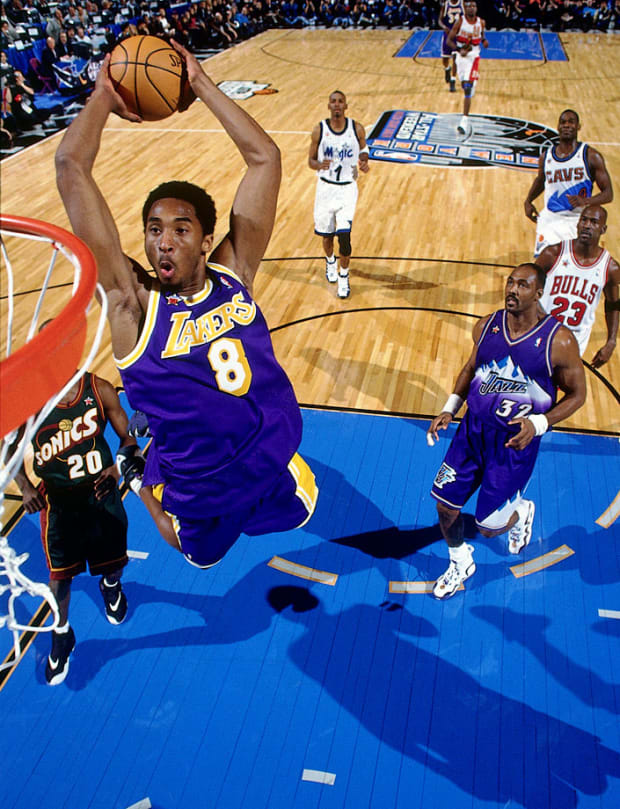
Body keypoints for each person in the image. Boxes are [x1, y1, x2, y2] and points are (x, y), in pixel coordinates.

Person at [55, 40, 318, 574]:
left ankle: (153, 464)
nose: (164, 242)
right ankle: (144, 481)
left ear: (205, 241)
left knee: (303, 511)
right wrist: (104, 95)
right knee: (194, 552)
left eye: (180, 229)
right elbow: (70, 165)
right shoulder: (133, 306)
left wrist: (200, 84)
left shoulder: (234, 273)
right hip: (201, 492)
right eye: (154, 230)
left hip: (271, 464)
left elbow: (265, 159)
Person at [427, 263, 586, 600]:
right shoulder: (487, 326)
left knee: (487, 527)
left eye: (523, 285)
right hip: (472, 432)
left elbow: (578, 395)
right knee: (445, 506)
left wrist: (538, 424)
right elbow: (470, 368)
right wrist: (450, 407)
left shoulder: (559, 341)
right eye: (510, 282)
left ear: (539, 292)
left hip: (514, 443)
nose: (512, 289)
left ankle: (522, 511)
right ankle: (460, 562)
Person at [14, 371, 136, 685]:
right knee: (59, 579)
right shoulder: (30, 403)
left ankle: (110, 586)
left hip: (101, 495)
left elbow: (129, 441)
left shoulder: (99, 389)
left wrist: (116, 469)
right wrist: (25, 487)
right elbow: (7, 444)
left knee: (115, 564)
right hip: (58, 503)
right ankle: (62, 634)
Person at [535, 204, 619, 367]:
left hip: (573, 345)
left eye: (594, 222)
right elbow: (527, 286)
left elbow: (613, 304)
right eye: (584, 220)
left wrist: (611, 341)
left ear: (603, 229)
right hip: (540, 335)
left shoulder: (610, 268)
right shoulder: (553, 253)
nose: (587, 225)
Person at [523, 109, 613, 257]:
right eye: (563, 122)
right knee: (543, 266)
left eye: (571, 122)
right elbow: (541, 179)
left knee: (570, 265)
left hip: (576, 220)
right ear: (558, 127)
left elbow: (608, 194)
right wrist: (528, 200)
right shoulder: (546, 156)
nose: (566, 125)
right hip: (550, 220)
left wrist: (586, 201)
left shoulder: (590, 156)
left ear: (578, 126)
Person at [308, 89, 369, 299]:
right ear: (328, 106)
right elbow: (310, 161)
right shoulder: (319, 130)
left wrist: (364, 160)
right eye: (333, 101)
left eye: (340, 101)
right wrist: (319, 164)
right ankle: (330, 261)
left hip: (347, 189)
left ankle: (344, 276)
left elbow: (364, 149)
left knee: (344, 236)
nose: (336, 104)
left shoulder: (356, 128)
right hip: (325, 189)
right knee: (326, 236)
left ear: (345, 106)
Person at [447, 0, 488, 134]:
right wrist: (459, 50)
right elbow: (449, 40)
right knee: (465, 84)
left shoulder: (481, 22)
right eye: (469, 6)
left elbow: (481, 35)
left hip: (474, 56)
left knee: (467, 88)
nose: (471, 8)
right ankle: (473, 81)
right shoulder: (460, 22)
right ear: (465, 8)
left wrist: (484, 40)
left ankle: (464, 121)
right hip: (461, 56)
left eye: (473, 6)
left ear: (476, 8)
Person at [438, 0, 463, 93]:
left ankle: (453, 80)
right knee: (445, 60)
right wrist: (444, 27)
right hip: (447, 35)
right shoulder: (446, 4)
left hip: (458, 36)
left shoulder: (462, 4)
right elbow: (439, 20)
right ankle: (447, 68)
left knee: (456, 58)